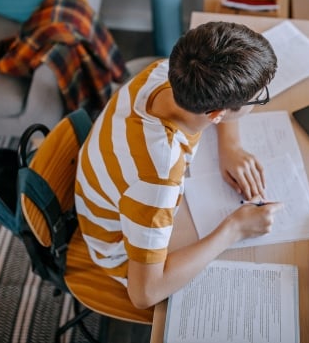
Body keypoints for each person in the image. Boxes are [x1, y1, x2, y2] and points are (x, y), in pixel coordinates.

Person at [74, 21, 284, 312]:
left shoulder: (168, 72)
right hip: (120, 251)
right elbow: (144, 294)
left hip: (119, 195)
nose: (259, 100)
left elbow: (218, 109)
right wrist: (234, 228)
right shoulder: (156, 179)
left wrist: (230, 146)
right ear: (217, 114)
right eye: (258, 99)